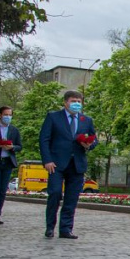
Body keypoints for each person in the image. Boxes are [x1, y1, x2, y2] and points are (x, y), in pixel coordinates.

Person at [39, 91, 97, 239]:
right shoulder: (53, 117)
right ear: (65, 102)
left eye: (79, 101)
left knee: (72, 198)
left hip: (77, 164)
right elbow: (44, 139)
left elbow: (94, 140)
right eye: (73, 101)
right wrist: (47, 160)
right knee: (55, 193)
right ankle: (50, 227)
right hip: (56, 164)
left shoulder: (86, 120)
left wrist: (88, 145)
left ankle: (65, 229)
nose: (76, 103)